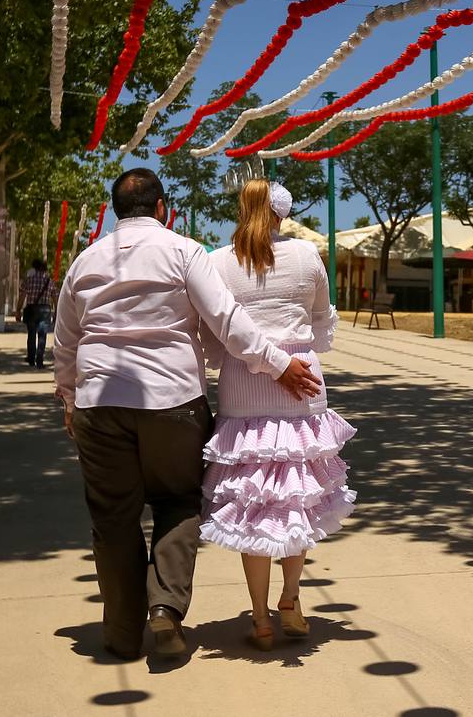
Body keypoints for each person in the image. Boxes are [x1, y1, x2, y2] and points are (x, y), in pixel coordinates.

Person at [52, 168, 322, 662]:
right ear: (162, 208)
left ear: (116, 211)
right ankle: (166, 610)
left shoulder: (84, 261)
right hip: (171, 401)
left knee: (113, 518)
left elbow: (65, 340)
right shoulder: (184, 251)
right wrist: (280, 365)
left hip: (98, 404)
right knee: (177, 502)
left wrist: (69, 398)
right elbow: (227, 320)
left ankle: (120, 632)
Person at [200, 180, 355, 650]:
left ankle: (261, 618)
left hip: (242, 390)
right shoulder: (308, 257)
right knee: (298, 497)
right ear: (283, 216)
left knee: (252, 504)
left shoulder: (218, 261)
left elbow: (213, 332)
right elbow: (322, 317)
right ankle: (291, 597)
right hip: (302, 382)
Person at [17, 259, 55, 368]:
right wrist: (56, 310)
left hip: (32, 310)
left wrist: (18, 310)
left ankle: (31, 358)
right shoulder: (49, 281)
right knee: (42, 335)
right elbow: (55, 297)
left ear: (34, 268)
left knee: (31, 334)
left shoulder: (29, 280)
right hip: (45, 311)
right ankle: (39, 359)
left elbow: (22, 296)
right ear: (45, 269)